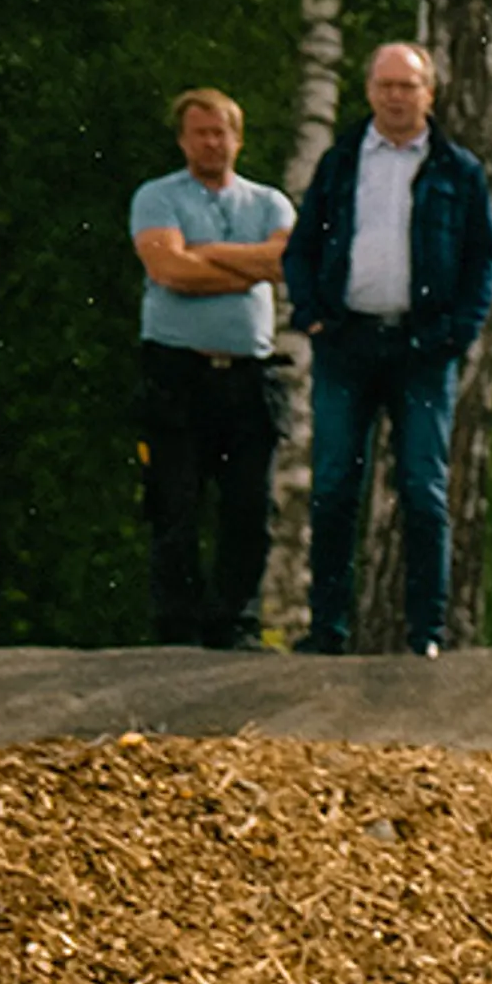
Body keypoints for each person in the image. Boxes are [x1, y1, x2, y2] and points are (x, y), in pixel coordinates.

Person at [281, 40, 492, 657]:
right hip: (346, 344)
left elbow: (485, 256)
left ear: (429, 94)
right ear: (369, 91)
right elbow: (301, 248)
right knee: (333, 488)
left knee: (424, 490)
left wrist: (459, 330)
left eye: (408, 86)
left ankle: (426, 634)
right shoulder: (341, 160)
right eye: (386, 85)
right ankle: (327, 629)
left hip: (423, 349)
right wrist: (312, 315)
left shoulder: (457, 169)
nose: (396, 97)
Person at [127, 88, 294, 651]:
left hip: (250, 376)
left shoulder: (268, 202)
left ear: (237, 138)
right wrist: (248, 266)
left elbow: (285, 261)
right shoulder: (157, 197)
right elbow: (170, 269)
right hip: (177, 374)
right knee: (173, 502)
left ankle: (235, 622)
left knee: (249, 506)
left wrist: (208, 251)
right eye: (200, 133)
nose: (211, 143)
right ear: (183, 140)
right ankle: (176, 625)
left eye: (220, 132)